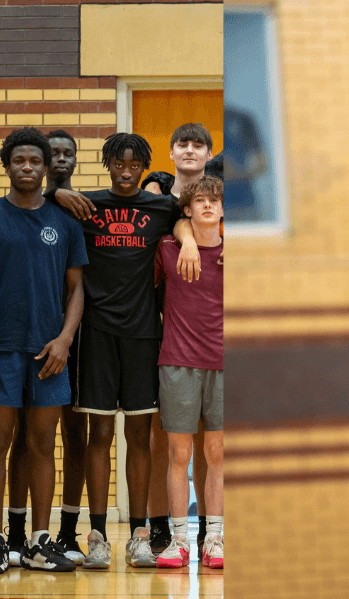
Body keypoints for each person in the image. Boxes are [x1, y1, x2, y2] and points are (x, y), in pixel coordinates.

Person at [52, 133, 192, 569]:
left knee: (139, 438)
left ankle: (139, 536)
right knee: (100, 435)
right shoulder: (86, 205)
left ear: (145, 166)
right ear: (108, 164)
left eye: (135, 164)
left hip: (143, 334)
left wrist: (186, 239)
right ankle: (96, 536)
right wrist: (58, 189)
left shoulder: (162, 208)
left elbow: (185, 214)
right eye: (119, 163)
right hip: (94, 335)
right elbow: (41, 198)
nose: (127, 171)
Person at [0, 128, 85, 575]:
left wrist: (65, 339)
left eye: (36, 161)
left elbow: (77, 290)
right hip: (0, 352)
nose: (29, 168)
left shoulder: (65, 222)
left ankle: (38, 543)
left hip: (49, 354)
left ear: (45, 166)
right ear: (7, 165)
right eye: (20, 161)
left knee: (42, 446)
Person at [141, 122, 216, 553]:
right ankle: (158, 528)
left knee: (210, 441)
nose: (189, 150)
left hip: (201, 332)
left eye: (197, 144)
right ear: (171, 153)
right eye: (181, 144)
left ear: (209, 153)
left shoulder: (212, 199)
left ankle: (209, 528)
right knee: (163, 437)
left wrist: (189, 239)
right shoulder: (156, 198)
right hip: (156, 329)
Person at [153, 176, 224, 570]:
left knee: (218, 454)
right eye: (201, 201)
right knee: (179, 453)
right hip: (178, 360)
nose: (209, 206)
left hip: (225, 364)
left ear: (224, 209)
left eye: (215, 200)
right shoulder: (169, 249)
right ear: (188, 209)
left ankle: (214, 538)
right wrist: (188, 239)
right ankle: (179, 540)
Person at [43, 129, 89, 566]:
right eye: (52, 152)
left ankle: (69, 531)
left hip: (79, 334)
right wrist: (54, 196)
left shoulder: (86, 207)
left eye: (67, 153)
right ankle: (23, 532)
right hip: (35, 335)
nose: (60, 159)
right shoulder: (31, 205)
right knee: (31, 436)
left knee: (76, 434)